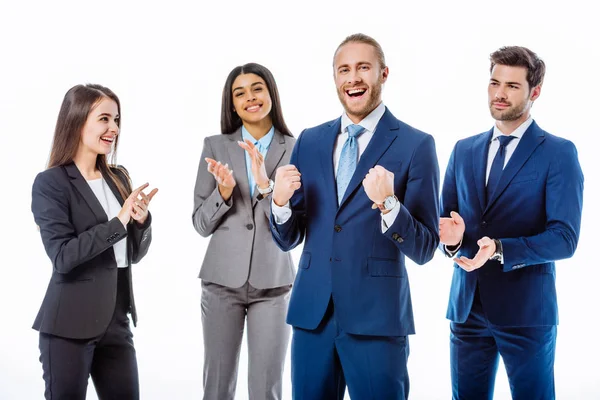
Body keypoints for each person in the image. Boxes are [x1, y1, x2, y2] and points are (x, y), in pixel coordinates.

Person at [270, 33, 440, 399]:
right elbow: (290, 236)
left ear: (383, 74)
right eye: (344, 69)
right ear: (334, 79)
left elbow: (426, 247)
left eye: (364, 67)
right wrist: (280, 203)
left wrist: (390, 205)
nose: (353, 78)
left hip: (376, 319)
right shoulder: (310, 140)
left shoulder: (416, 144)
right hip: (312, 317)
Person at [439, 46, 584, 400]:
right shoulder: (463, 150)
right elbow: (447, 224)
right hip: (467, 308)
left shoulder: (558, 152)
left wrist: (500, 249)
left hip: (527, 312)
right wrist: (455, 243)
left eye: (512, 86)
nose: (500, 93)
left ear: (535, 92)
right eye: (494, 83)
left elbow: (564, 238)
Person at [31, 83, 158, 399]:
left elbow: (132, 255)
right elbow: (63, 257)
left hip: (117, 321)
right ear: (77, 121)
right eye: (104, 118)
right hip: (68, 325)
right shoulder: (51, 183)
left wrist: (140, 221)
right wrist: (119, 222)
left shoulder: (119, 176)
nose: (113, 128)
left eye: (116, 119)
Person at [192, 63, 296, 400]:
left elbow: (299, 223)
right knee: (217, 386)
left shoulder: (297, 148)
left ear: (271, 94)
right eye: (240, 93)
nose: (250, 97)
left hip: (274, 283)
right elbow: (200, 224)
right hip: (222, 282)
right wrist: (222, 194)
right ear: (232, 104)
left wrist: (266, 187)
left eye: (257, 88)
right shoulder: (215, 146)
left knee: (267, 388)